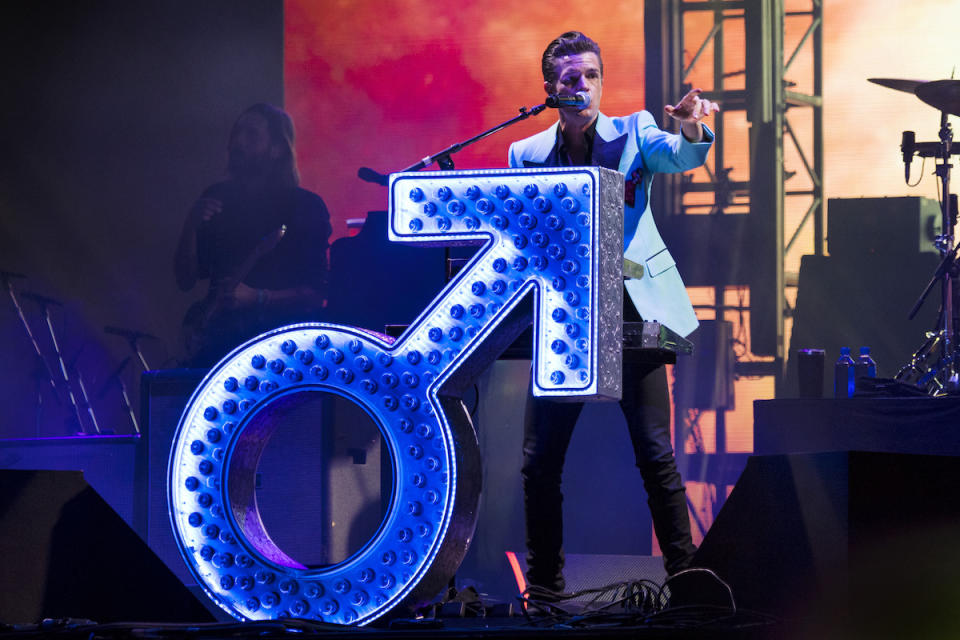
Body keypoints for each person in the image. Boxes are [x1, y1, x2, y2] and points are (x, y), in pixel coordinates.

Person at [508, 31, 718, 594]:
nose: (584, 86)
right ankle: (546, 591)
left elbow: (680, 154)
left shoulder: (634, 131)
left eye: (592, 75)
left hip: (634, 308)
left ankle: (687, 580)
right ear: (550, 88)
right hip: (566, 318)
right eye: (571, 78)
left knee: (654, 453)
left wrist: (692, 125)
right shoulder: (524, 154)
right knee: (539, 461)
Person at [174, 103, 332, 367]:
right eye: (236, 133)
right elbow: (185, 278)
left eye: (251, 135)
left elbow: (316, 294)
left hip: (282, 352)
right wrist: (191, 224)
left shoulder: (304, 206)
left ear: (277, 148)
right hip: (220, 346)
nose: (237, 142)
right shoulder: (217, 198)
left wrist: (257, 297)